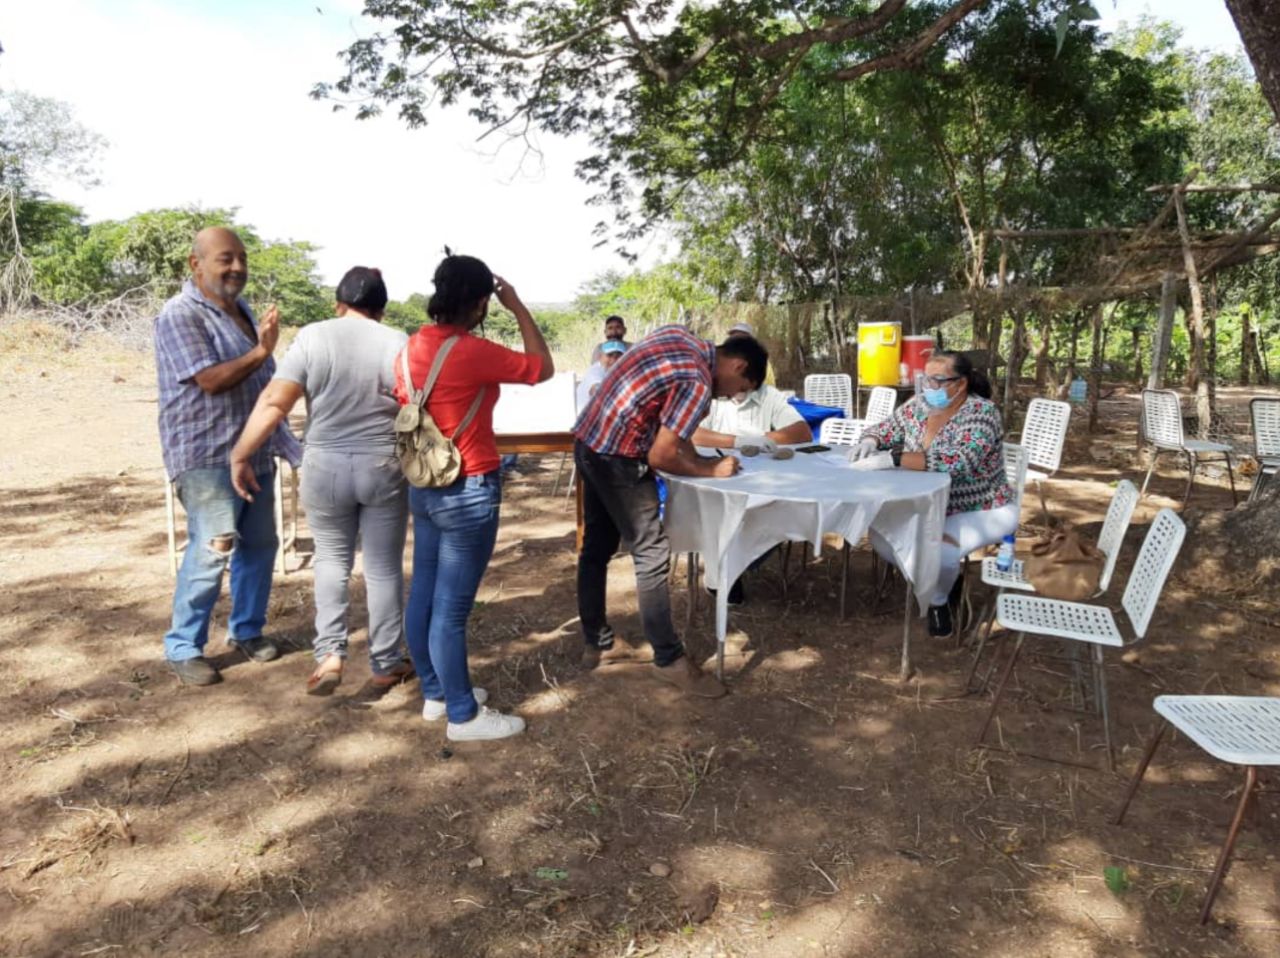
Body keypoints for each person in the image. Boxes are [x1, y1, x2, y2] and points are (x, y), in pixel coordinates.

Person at [230, 267, 412, 696]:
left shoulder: (313, 336)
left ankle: (330, 654)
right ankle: (386, 662)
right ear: (382, 310)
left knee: (331, 561)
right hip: (382, 465)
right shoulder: (399, 341)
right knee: (383, 568)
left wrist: (240, 453)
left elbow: (277, 400)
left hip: (325, 465)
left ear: (339, 304)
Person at [394, 253, 554, 742]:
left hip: (424, 485)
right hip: (469, 487)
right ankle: (463, 716)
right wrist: (519, 305)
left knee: (424, 592)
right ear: (481, 301)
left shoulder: (408, 348)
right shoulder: (471, 351)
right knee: (452, 608)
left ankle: (436, 693)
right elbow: (541, 368)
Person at [573, 326, 768, 696]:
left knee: (596, 548)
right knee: (652, 554)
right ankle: (669, 660)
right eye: (740, 388)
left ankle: (598, 644)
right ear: (738, 365)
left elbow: (675, 434)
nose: (732, 396)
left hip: (589, 441)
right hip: (618, 456)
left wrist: (696, 460)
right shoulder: (697, 381)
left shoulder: (680, 337)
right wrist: (710, 470)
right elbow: (661, 455)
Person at [153, 227, 301, 686]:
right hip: (205, 456)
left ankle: (248, 631)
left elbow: (263, 387)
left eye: (241, 257)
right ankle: (183, 646)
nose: (236, 267)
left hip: (251, 454)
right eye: (224, 259)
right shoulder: (179, 315)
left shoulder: (242, 311)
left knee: (260, 546)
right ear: (196, 264)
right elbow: (211, 380)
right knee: (214, 546)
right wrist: (261, 351)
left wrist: (288, 444)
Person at [849, 350, 1018, 637]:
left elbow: (961, 460)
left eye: (938, 381)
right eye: (926, 379)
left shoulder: (982, 413)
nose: (930, 387)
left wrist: (896, 458)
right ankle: (942, 583)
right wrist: (870, 439)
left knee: (939, 553)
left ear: (961, 383)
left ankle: (938, 601)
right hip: (922, 502)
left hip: (978, 507)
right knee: (881, 536)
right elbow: (887, 428)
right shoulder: (919, 404)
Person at [690, 333, 810, 604]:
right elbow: (689, 433)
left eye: (745, 386)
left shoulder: (769, 396)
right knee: (716, 513)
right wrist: (737, 441)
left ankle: (738, 564)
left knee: (777, 511)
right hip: (714, 477)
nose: (730, 392)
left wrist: (762, 441)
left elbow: (801, 432)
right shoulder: (705, 387)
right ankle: (722, 573)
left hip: (758, 481)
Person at [576, 339, 627, 409]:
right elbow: (598, 393)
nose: (613, 360)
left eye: (618, 356)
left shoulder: (617, 373)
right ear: (600, 357)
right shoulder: (595, 371)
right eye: (609, 355)